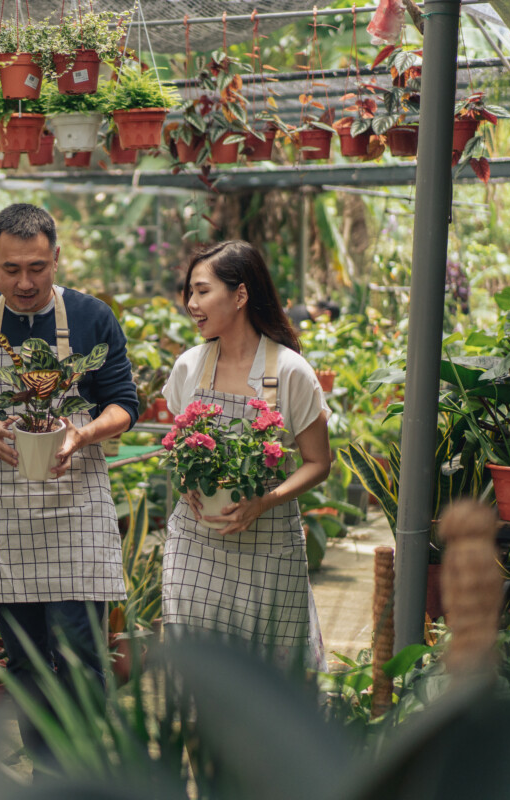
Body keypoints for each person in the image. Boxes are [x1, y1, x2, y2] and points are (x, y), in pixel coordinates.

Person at [0, 203, 138, 753]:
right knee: (24, 658)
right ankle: (45, 768)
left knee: (81, 652)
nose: (25, 282)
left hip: (77, 509)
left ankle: (84, 771)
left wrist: (83, 434)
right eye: (12, 269)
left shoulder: (92, 318)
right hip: (6, 513)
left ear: (57, 259)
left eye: (38, 268)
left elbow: (123, 404)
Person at [161, 240, 330, 670]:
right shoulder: (189, 367)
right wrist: (187, 482)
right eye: (190, 294)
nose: (192, 304)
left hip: (268, 546)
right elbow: (181, 448)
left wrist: (264, 502)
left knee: (271, 680)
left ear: (240, 295)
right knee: (198, 676)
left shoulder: (291, 372)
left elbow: (318, 463)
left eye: (202, 291)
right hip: (194, 541)